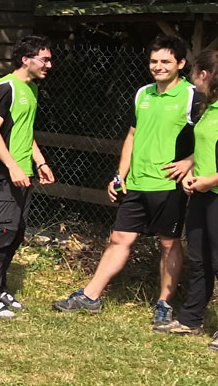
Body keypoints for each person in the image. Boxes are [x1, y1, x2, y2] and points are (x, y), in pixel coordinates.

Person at [53, 35, 198, 326]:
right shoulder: (143, 93)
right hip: (136, 183)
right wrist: (120, 175)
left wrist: (190, 162)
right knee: (119, 238)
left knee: (168, 244)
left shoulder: (193, 95)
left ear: (181, 63)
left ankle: (164, 305)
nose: (158, 66)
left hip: (168, 185)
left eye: (165, 61)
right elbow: (132, 135)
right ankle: (90, 297)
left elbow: (210, 136)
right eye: (154, 61)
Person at [154, 49, 218, 351]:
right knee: (199, 259)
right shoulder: (209, 107)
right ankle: (191, 320)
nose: (191, 80)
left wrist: (211, 181)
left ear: (204, 74)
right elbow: (208, 150)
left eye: (193, 74)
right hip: (202, 195)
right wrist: (192, 172)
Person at [0, 35, 55, 318]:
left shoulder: (31, 89)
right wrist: (12, 166)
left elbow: (25, 130)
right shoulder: (6, 88)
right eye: (44, 59)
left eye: (49, 60)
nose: (49, 65)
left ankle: (0, 289)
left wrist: (40, 161)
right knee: (3, 233)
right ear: (26, 60)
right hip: (6, 175)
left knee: (15, 234)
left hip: (24, 174)